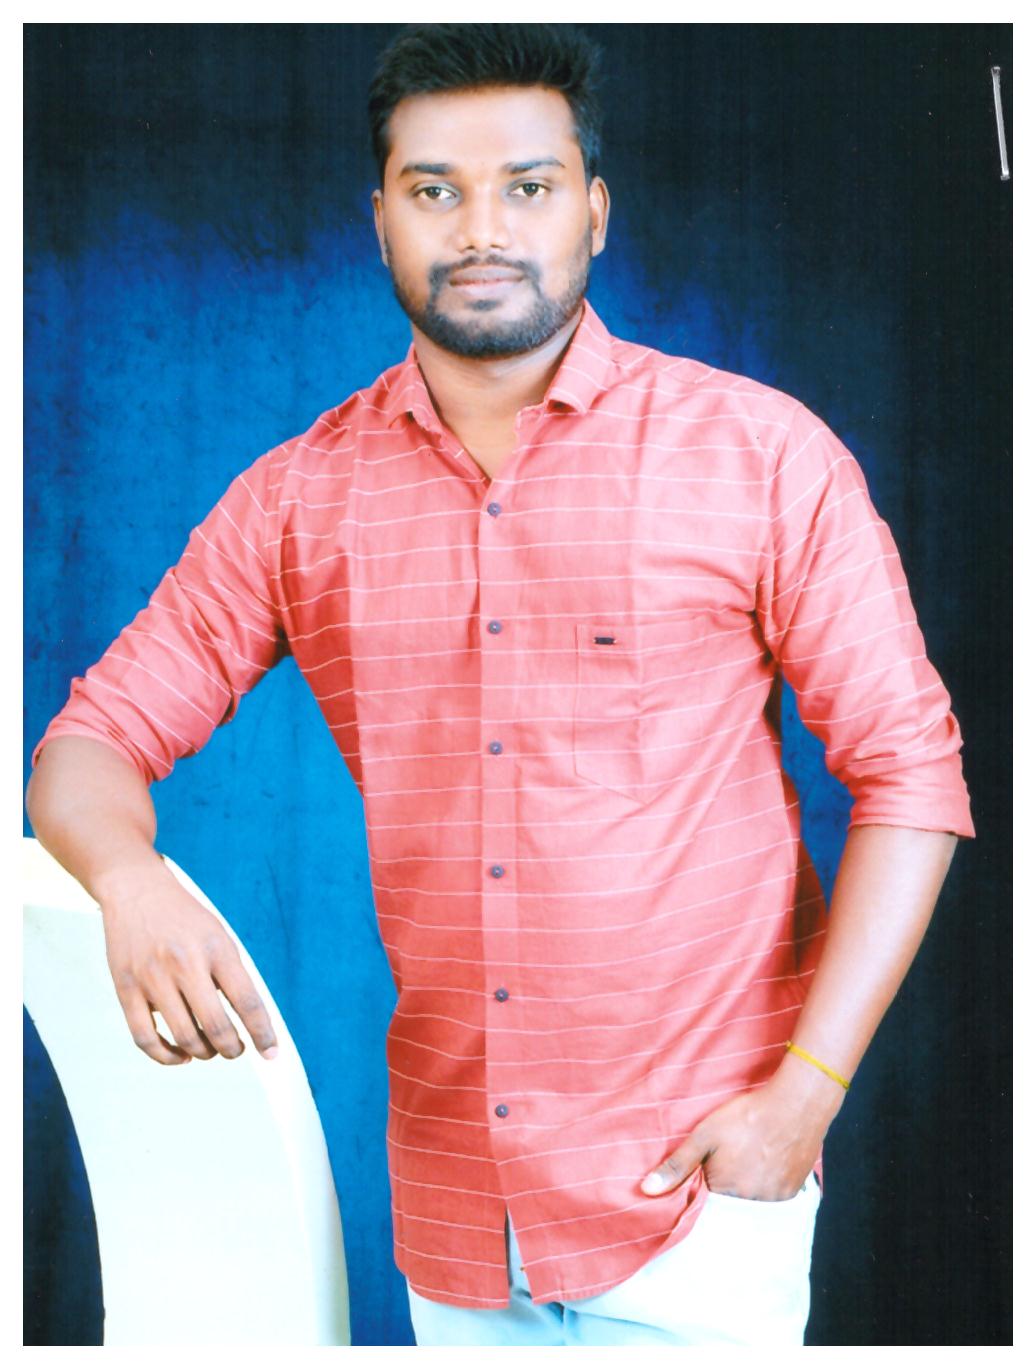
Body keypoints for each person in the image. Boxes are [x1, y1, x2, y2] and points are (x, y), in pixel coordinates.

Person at [27, 22, 974, 1348]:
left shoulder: (760, 458)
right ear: (380, 220)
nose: (481, 229)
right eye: (435, 189)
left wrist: (806, 1094)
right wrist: (128, 882)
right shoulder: (299, 500)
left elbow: (913, 777)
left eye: (528, 186)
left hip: (705, 1207)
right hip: (458, 1223)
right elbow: (88, 744)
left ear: (595, 209)